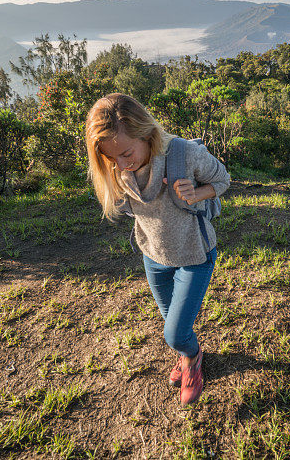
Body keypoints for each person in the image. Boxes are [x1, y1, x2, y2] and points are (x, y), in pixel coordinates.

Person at [85, 93, 231, 407]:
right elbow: (128, 205)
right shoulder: (117, 167)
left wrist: (196, 193)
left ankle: (193, 358)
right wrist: (120, 175)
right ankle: (189, 356)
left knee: (175, 334)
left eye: (126, 153)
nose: (121, 164)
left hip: (194, 256)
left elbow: (222, 179)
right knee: (173, 326)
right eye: (112, 159)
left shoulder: (185, 154)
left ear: (147, 133)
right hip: (154, 257)